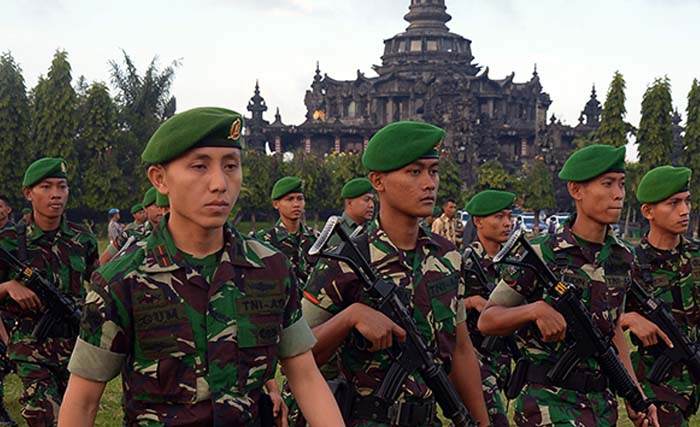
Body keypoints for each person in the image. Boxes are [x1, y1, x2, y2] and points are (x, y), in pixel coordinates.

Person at [58, 107, 343, 427]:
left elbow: (305, 376)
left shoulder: (271, 269)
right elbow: (82, 402)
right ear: (160, 179)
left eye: (231, 166)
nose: (220, 183)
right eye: (199, 166)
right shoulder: (122, 281)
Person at [302, 121, 490, 426]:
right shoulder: (346, 261)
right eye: (414, 172)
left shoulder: (448, 256)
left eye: (433, 171)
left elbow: (460, 349)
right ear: (378, 181)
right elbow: (298, 354)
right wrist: (351, 317)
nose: (429, 183)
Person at [478, 144, 658, 427]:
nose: (619, 194)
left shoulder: (622, 256)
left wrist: (634, 395)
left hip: (601, 406)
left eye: (622, 184)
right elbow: (487, 320)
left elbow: (612, 332)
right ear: (576, 191)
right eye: (607, 184)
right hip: (549, 404)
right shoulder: (540, 253)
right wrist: (534, 311)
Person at [0, 157, 98, 427]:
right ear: (28, 193)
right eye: (46, 187)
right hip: (30, 348)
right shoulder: (8, 240)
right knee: (46, 416)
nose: (56, 195)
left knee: (74, 418)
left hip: (74, 348)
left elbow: (99, 284)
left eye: (61, 187)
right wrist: (8, 287)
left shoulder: (82, 238)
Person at [620, 165, 699, 427]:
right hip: (657, 389)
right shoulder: (628, 263)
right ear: (648, 211)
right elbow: (598, 315)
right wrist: (629, 318)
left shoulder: (697, 257)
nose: (685, 210)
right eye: (673, 203)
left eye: (687, 201)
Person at [463, 189, 516, 427]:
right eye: (499, 217)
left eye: (509, 216)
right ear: (478, 222)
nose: (507, 223)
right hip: (474, 355)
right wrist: (471, 301)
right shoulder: (463, 261)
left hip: (504, 355)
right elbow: (442, 306)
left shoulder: (514, 262)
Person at [256, 177, 317, 286]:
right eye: (290, 199)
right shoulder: (263, 240)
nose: (296, 204)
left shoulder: (316, 239)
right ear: (276, 204)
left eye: (300, 198)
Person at [98, 188, 162, 266]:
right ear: (146, 208)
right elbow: (104, 260)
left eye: (167, 205)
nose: (161, 209)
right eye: (157, 205)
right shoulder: (130, 234)